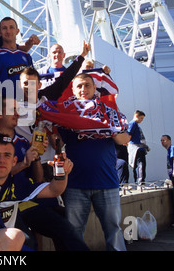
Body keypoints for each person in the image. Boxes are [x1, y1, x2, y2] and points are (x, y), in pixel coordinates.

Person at [0, 96, 90, 251]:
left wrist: (36, 157)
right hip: (2, 204)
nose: (16, 114)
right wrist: (24, 163)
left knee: (64, 225)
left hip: (25, 200)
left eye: (17, 110)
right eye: (12, 110)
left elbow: (38, 178)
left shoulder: (23, 141)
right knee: (29, 242)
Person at [58, 73, 130, 251]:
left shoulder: (108, 112)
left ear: (94, 88)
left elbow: (124, 139)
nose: (83, 89)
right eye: (79, 86)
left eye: (87, 85)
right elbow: (58, 142)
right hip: (75, 184)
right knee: (74, 233)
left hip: (107, 183)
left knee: (113, 230)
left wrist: (109, 128)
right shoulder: (66, 114)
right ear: (73, 90)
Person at [127, 110, 149, 185]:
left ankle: (139, 182)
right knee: (140, 165)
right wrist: (126, 142)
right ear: (136, 116)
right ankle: (141, 182)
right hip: (136, 148)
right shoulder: (133, 124)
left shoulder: (136, 125)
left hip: (139, 147)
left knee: (138, 165)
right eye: (141, 118)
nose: (141, 120)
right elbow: (129, 135)